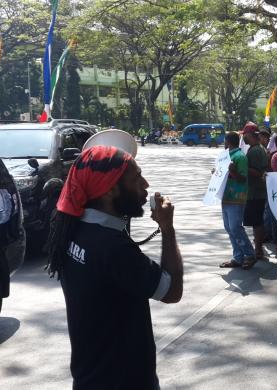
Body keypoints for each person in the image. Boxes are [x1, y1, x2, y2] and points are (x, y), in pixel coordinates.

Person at [45, 146, 183, 389]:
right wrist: (167, 228)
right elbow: (171, 292)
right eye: (137, 178)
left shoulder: (73, 226)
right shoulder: (112, 248)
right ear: (109, 190)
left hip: (89, 377)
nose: (145, 184)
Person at [219, 132, 258, 270]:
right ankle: (238, 257)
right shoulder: (225, 156)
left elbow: (242, 178)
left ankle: (249, 254)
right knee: (229, 228)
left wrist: (232, 171)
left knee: (235, 227)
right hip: (225, 197)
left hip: (236, 197)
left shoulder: (240, 157)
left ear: (227, 141)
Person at [242, 123, 270, 259]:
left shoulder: (255, 151)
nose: (243, 137)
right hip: (256, 192)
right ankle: (258, 248)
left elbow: (259, 172)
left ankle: (258, 250)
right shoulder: (257, 148)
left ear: (250, 135)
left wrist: (242, 167)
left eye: (245, 134)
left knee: (257, 222)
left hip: (256, 193)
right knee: (256, 222)